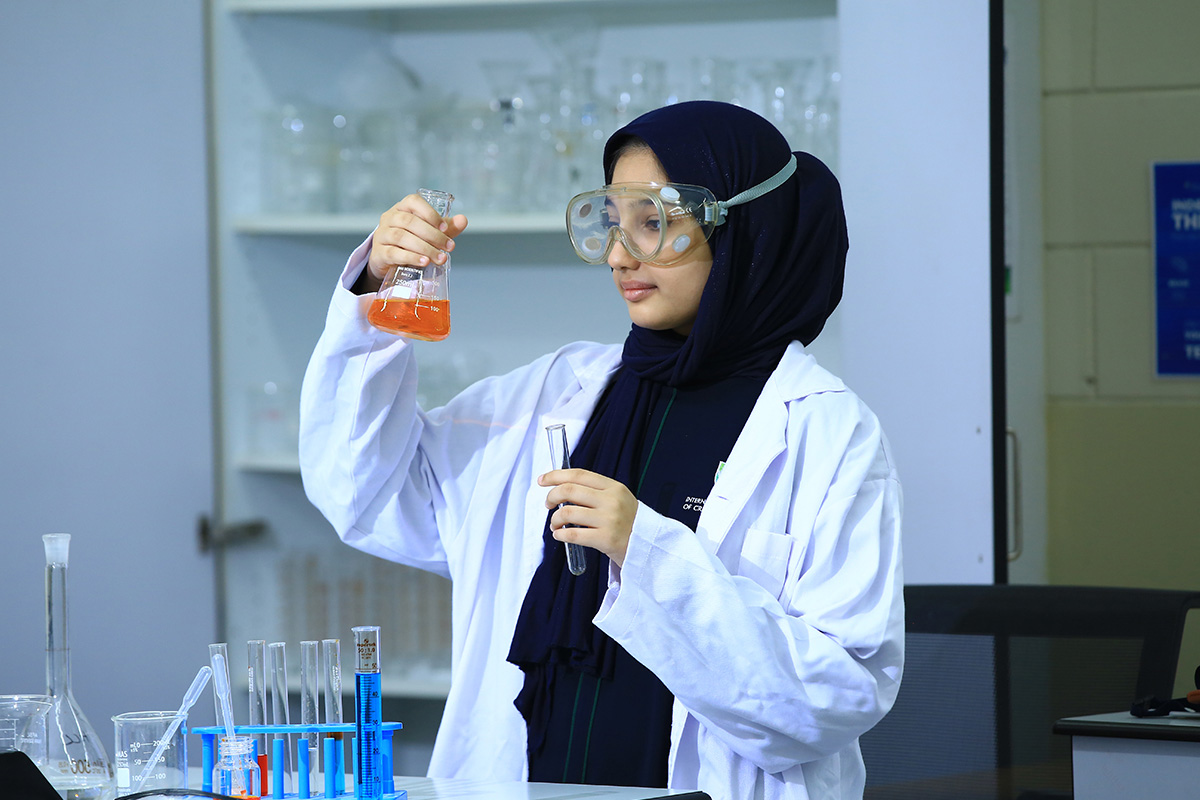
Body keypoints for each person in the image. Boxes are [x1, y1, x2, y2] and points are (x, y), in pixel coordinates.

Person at [299, 100, 903, 799]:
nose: (619, 256)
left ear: (745, 231)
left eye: (653, 223)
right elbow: (363, 491)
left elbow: (839, 695)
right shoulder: (555, 392)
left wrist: (645, 551)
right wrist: (379, 290)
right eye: (612, 224)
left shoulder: (826, 431)